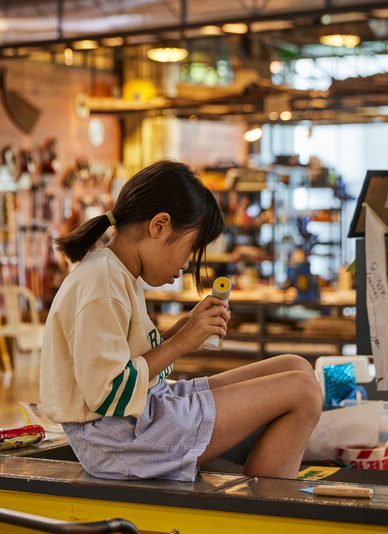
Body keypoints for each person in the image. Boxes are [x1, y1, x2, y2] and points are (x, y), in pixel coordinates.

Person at [40, 159, 322, 482]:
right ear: (159, 226)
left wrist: (186, 327)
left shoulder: (117, 273)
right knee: (303, 393)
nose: (187, 264)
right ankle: (260, 516)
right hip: (117, 439)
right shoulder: (102, 282)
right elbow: (110, 394)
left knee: (296, 367)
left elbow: (133, 364)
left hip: (137, 418)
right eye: (190, 249)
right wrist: (181, 343)